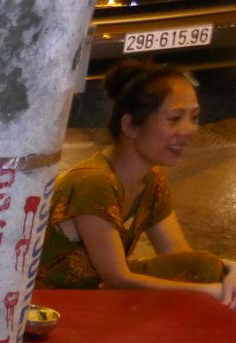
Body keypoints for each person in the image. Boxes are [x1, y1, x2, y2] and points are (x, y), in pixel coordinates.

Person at [36, 60, 235, 307]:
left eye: (194, 117)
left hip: (96, 297)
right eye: (174, 119)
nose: (188, 130)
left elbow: (180, 256)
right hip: (59, 308)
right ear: (130, 125)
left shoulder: (151, 180)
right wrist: (212, 292)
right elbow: (118, 278)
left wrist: (226, 269)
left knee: (205, 269)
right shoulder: (94, 182)